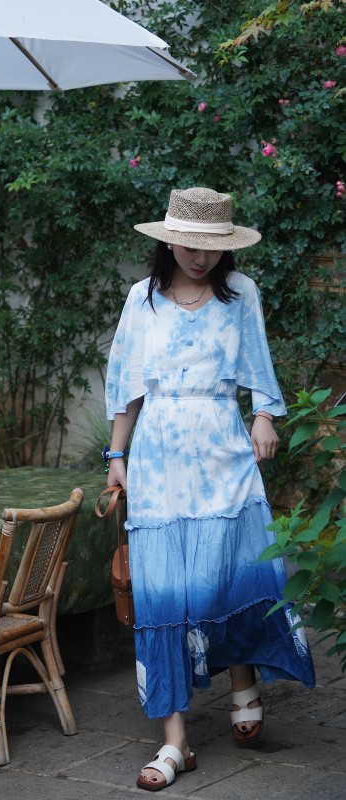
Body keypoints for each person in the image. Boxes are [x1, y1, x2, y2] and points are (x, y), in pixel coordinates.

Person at [104, 187, 316, 792]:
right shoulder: (141, 299)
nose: (201, 258)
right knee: (163, 594)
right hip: (159, 456)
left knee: (230, 569)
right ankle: (175, 743)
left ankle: (243, 676)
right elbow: (126, 385)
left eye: (213, 247)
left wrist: (264, 416)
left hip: (223, 445)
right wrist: (116, 456)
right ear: (169, 241)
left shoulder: (240, 292)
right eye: (191, 246)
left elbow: (258, 366)